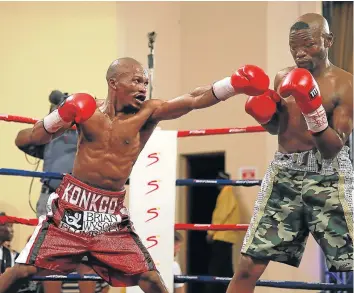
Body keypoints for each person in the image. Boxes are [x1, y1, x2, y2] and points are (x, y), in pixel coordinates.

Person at [0, 57, 270, 293]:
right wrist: (58, 116)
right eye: (137, 81)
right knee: (22, 271)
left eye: (145, 83)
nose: (143, 88)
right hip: (71, 208)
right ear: (114, 82)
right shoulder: (87, 110)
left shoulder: (147, 113)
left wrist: (232, 85)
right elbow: (29, 137)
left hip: (110, 214)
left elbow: (192, 99)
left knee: (150, 279)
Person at [227, 13, 353, 293]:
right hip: (284, 172)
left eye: (308, 45)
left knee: (350, 263)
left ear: (328, 41)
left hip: (329, 176)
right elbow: (278, 129)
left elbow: (334, 147)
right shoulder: (283, 77)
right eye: (294, 46)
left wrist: (313, 110)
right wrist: (262, 113)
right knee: (248, 264)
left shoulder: (346, 84)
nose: (300, 52)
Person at [15, 90, 109, 293]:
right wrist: (50, 122)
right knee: (51, 258)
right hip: (53, 196)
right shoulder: (49, 137)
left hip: (84, 199)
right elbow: (21, 139)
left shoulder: (91, 133)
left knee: (86, 257)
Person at [205, 171, 240, 293]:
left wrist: (211, 232)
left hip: (222, 236)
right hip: (227, 236)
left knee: (216, 268)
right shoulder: (229, 193)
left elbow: (220, 215)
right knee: (226, 270)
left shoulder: (226, 193)